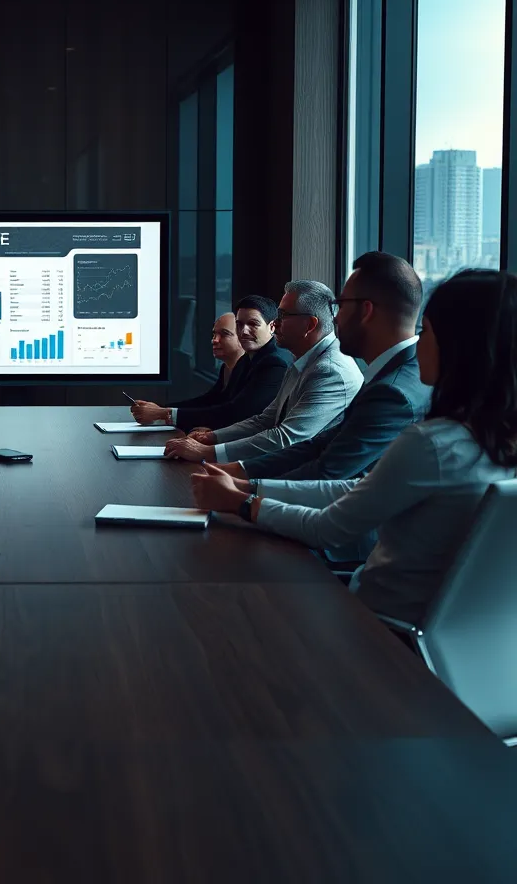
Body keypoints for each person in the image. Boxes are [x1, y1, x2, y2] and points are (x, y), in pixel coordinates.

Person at [191, 269, 517, 626]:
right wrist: (250, 486)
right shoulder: (487, 441)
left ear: (459, 347)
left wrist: (242, 503)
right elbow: (360, 487)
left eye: (426, 331)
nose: (418, 342)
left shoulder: (430, 442)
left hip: (373, 626)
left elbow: (328, 526)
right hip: (432, 631)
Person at [214, 253, 430, 482]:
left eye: (340, 305)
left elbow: (328, 471)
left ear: (366, 311)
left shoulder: (390, 390)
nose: (334, 318)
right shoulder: (392, 374)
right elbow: (319, 446)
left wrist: (247, 490)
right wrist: (240, 470)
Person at [164, 279, 363, 464]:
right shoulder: (303, 359)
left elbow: (285, 438)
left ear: (310, 325)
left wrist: (208, 452)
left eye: (282, 315)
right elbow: (265, 420)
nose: (275, 323)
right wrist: (212, 437)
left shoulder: (330, 371)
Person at [131, 297, 291, 431]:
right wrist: (161, 409)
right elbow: (214, 399)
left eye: (253, 324)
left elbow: (238, 412)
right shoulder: (248, 358)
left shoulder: (274, 363)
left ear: (272, 327)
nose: (244, 331)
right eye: (239, 324)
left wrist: (163, 413)